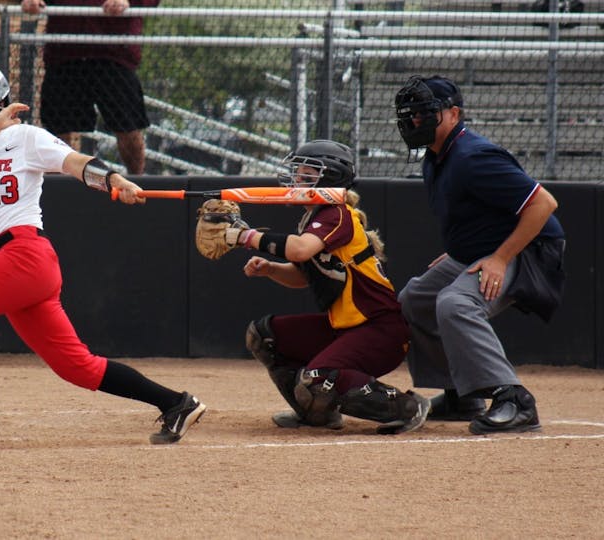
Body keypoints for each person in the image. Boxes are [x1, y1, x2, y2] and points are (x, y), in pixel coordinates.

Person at [0, 63, 205, 446]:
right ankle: (176, 403)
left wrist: (113, 179)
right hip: (7, 264)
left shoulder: (25, 137)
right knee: (77, 368)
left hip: (24, 255)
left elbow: (75, 163)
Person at [393, 75, 566, 434]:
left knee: (456, 303)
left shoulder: (474, 156)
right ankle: (462, 395)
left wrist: (500, 259)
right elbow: (481, 215)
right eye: (411, 115)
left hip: (530, 250)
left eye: (425, 112)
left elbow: (543, 204)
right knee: (416, 299)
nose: (416, 121)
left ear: (454, 114)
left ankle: (515, 400)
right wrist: (460, 252)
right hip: (485, 249)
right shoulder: (436, 157)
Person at [230, 140, 430, 435]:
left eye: (307, 175)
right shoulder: (314, 219)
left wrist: (245, 236)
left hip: (380, 330)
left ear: (330, 179)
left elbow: (299, 250)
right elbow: (303, 275)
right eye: (297, 173)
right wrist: (270, 269)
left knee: (317, 377)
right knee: (264, 335)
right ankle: (316, 412)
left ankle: (406, 406)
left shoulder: (337, 214)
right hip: (346, 329)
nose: (296, 180)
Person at [20, 0, 157, 174]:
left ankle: (137, 182)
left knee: (128, 127)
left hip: (114, 54)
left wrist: (126, 2)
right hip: (64, 52)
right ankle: (57, 187)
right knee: (57, 130)